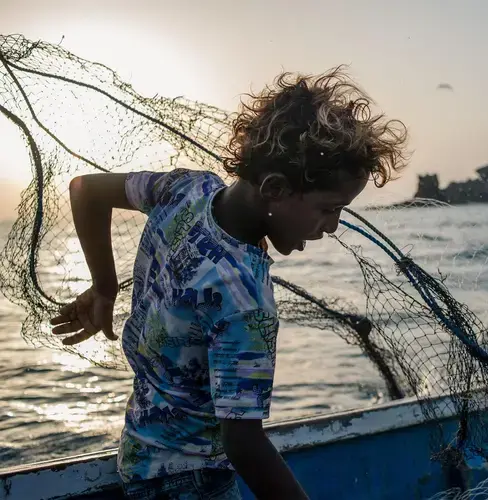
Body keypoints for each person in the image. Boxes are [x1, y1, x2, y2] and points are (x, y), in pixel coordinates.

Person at [49, 66, 408, 500]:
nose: (332, 227)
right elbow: (244, 443)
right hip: (195, 484)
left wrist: (104, 286)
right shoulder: (245, 297)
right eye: (328, 209)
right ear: (275, 189)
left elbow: (85, 189)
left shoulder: (184, 188)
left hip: (139, 457)